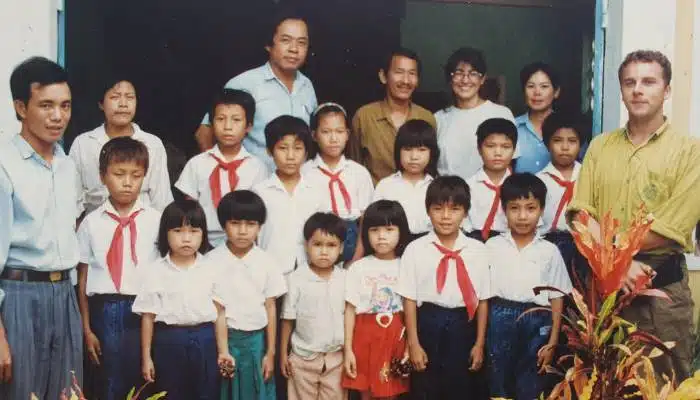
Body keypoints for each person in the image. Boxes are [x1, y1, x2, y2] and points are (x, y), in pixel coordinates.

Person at [568, 50, 700, 381]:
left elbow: (673, 227)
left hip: (663, 297)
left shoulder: (689, 152)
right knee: (604, 384)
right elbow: (581, 215)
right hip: (604, 293)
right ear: (622, 90)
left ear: (667, 90)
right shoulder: (599, 147)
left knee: (665, 385)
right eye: (630, 82)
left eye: (648, 82)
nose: (638, 89)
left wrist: (613, 252)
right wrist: (619, 264)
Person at [0, 56, 83, 399]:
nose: (58, 116)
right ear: (21, 107)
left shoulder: (67, 166)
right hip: (18, 300)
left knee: (68, 394)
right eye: (46, 105)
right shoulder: (4, 165)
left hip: (64, 298)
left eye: (65, 106)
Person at [76, 137, 161, 399]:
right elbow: (83, 279)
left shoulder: (156, 220)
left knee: (146, 381)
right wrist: (87, 329)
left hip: (146, 311)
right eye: (119, 174)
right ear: (102, 176)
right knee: (109, 382)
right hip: (106, 310)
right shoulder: (91, 223)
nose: (127, 182)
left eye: (136, 175)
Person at [396, 176, 491, 400]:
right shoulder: (416, 249)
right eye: (438, 209)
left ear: (465, 212)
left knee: (461, 388)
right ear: (428, 211)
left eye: (455, 209)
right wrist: (414, 344)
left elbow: (483, 299)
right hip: (427, 323)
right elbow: (408, 299)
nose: (446, 217)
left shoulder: (477, 250)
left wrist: (479, 344)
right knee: (426, 388)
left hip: (463, 324)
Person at [194, 11, 317, 170]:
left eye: (302, 42)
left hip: (296, 188)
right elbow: (204, 134)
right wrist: (224, 178)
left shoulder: (307, 87)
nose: (294, 49)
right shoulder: (244, 84)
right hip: (252, 188)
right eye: (285, 40)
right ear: (268, 45)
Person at [486, 173, 572, 399]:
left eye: (530, 208)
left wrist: (553, 340)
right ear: (504, 210)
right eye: (515, 208)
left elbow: (557, 297)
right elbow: (482, 295)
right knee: (498, 381)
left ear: (542, 210)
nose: (522, 216)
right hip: (498, 318)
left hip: (537, 321)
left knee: (531, 382)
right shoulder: (492, 247)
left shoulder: (549, 251)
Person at [134, 200, 225, 400]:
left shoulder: (211, 268)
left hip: (205, 339)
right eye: (177, 231)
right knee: (171, 393)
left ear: (203, 234)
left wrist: (223, 351)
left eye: (193, 231)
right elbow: (148, 317)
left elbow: (219, 313)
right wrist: (146, 358)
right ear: (165, 233)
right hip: (169, 341)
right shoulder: (156, 271)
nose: (186, 239)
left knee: (206, 393)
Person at [209, 190, 287, 400]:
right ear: (224, 224)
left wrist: (270, 353)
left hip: (257, 343)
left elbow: (271, 307)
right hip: (226, 341)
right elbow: (218, 311)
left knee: (258, 389)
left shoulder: (267, 262)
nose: (242, 231)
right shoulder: (211, 261)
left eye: (250, 224)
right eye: (235, 223)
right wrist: (223, 351)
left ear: (260, 227)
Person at [176, 88, 269, 247]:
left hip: (243, 243)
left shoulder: (257, 167)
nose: (227, 127)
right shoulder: (197, 164)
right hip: (203, 243)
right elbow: (189, 209)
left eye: (236, 120)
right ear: (211, 123)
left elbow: (260, 212)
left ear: (249, 126)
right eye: (220, 119)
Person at [70, 76, 173, 214]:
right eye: (115, 97)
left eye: (130, 97)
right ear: (101, 103)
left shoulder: (153, 144)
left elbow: (162, 201)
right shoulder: (83, 144)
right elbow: (72, 199)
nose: (123, 104)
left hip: (144, 228)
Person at [342, 200, 411, 399]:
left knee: (391, 392)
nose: (381, 236)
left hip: (395, 335)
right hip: (365, 335)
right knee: (367, 392)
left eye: (389, 229)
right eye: (374, 230)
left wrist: (408, 346)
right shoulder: (358, 268)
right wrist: (348, 349)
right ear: (366, 234)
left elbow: (410, 309)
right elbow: (349, 310)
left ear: (401, 232)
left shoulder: (406, 265)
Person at [280, 212, 347, 400]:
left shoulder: (346, 279)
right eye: (317, 244)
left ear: (341, 248)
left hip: (336, 358)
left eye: (331, 245)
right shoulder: (296, 279)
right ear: (306, 246)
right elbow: (288, 319)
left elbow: (351, 319)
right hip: (302, 358)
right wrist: (283, 354)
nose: (324, 251)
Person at [348, 48, 437, 183]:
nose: (406, 81)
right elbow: (353, 167)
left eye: (412, 73)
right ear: (383, 76)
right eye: (399, 72)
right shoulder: (365, 117)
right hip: (375, 200)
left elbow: (431, 166)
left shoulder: (426, 118)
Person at [254, 115, 326, 277]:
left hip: (309, 272)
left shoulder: (316, 191)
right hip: (270, 273)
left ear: (307, 152)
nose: (290, 156)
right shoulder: (260, 192)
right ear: (269, 151)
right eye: (282, 148)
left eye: (298, 148)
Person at [303, 103, 373, 262]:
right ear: (314, 135)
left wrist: (357, 256)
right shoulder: (305, 173)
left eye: (339, 131)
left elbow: (365, 219)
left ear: (347, 134)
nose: (334, 138)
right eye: (326, 132)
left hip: (352, 239)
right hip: (319, 240)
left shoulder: (359, 172)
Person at [435, 47, 515, 181]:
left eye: (473, 73)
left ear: (482, 79)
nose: (465, 80)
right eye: (459, 73)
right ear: (451, 78)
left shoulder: (501, 114)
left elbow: (512, 163)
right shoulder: (438, 119)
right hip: (448, 198)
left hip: (490, 196)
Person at [536, 112, 585, 273]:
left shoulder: (588, 177)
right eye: (557, 141)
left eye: (572, 141)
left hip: (583, 247)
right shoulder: (539, 181)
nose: (565, 147)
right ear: (547, 143)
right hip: (550, 245)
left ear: (581, 144)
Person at [373, 119, 438, 236]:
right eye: (407, 149)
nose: (414, 157)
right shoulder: (385, 186)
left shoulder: (437, 186)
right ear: (398, 151)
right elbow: (374, 223)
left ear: (432, 153)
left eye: (422, 150)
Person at [465, 118, 518, 242]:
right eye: (490, 146)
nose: (498, 153)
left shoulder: (523, 187)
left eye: (505, 146)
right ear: (479, 149)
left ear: (514, 150)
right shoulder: (468, 187)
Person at [514, 62, 561, 174]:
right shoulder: (512, 127)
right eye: (530, 86)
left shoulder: (568, 128)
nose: (537, 92)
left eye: (544, 86)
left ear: (556, 92)